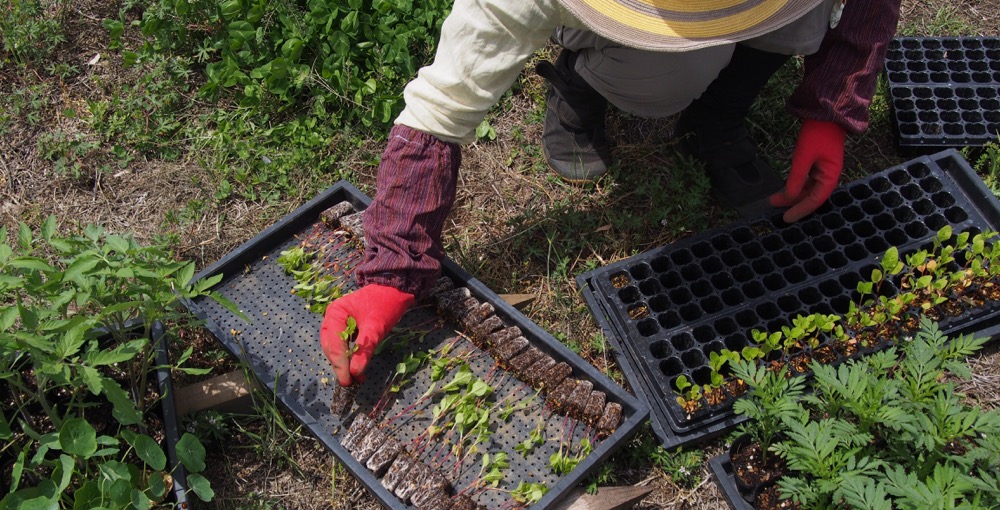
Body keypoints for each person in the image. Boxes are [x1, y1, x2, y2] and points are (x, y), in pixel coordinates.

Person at [321, 0, 902, 386]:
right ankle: (585, 75)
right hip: (611, 32)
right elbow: (438, 111)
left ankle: (718, 118)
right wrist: (389, 272)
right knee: (661, 78)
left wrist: (831, 106)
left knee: (802, 18)